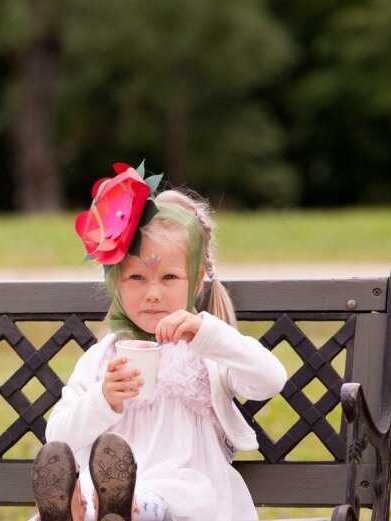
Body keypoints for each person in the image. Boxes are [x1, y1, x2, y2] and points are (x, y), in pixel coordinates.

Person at [30, 163, 288, 521]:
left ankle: (129, 506)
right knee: (94, 497)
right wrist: (103, 399)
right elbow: (58, 436)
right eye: (137, 277)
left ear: (196, 282)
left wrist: (207, 334)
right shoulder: (103, 358)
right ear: (117, 283)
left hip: (186, 491)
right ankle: (80, 509)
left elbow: (270, 380)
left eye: (169, 277)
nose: (152, 294)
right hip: (105, 491)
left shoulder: (208, 355)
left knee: (168, 497)